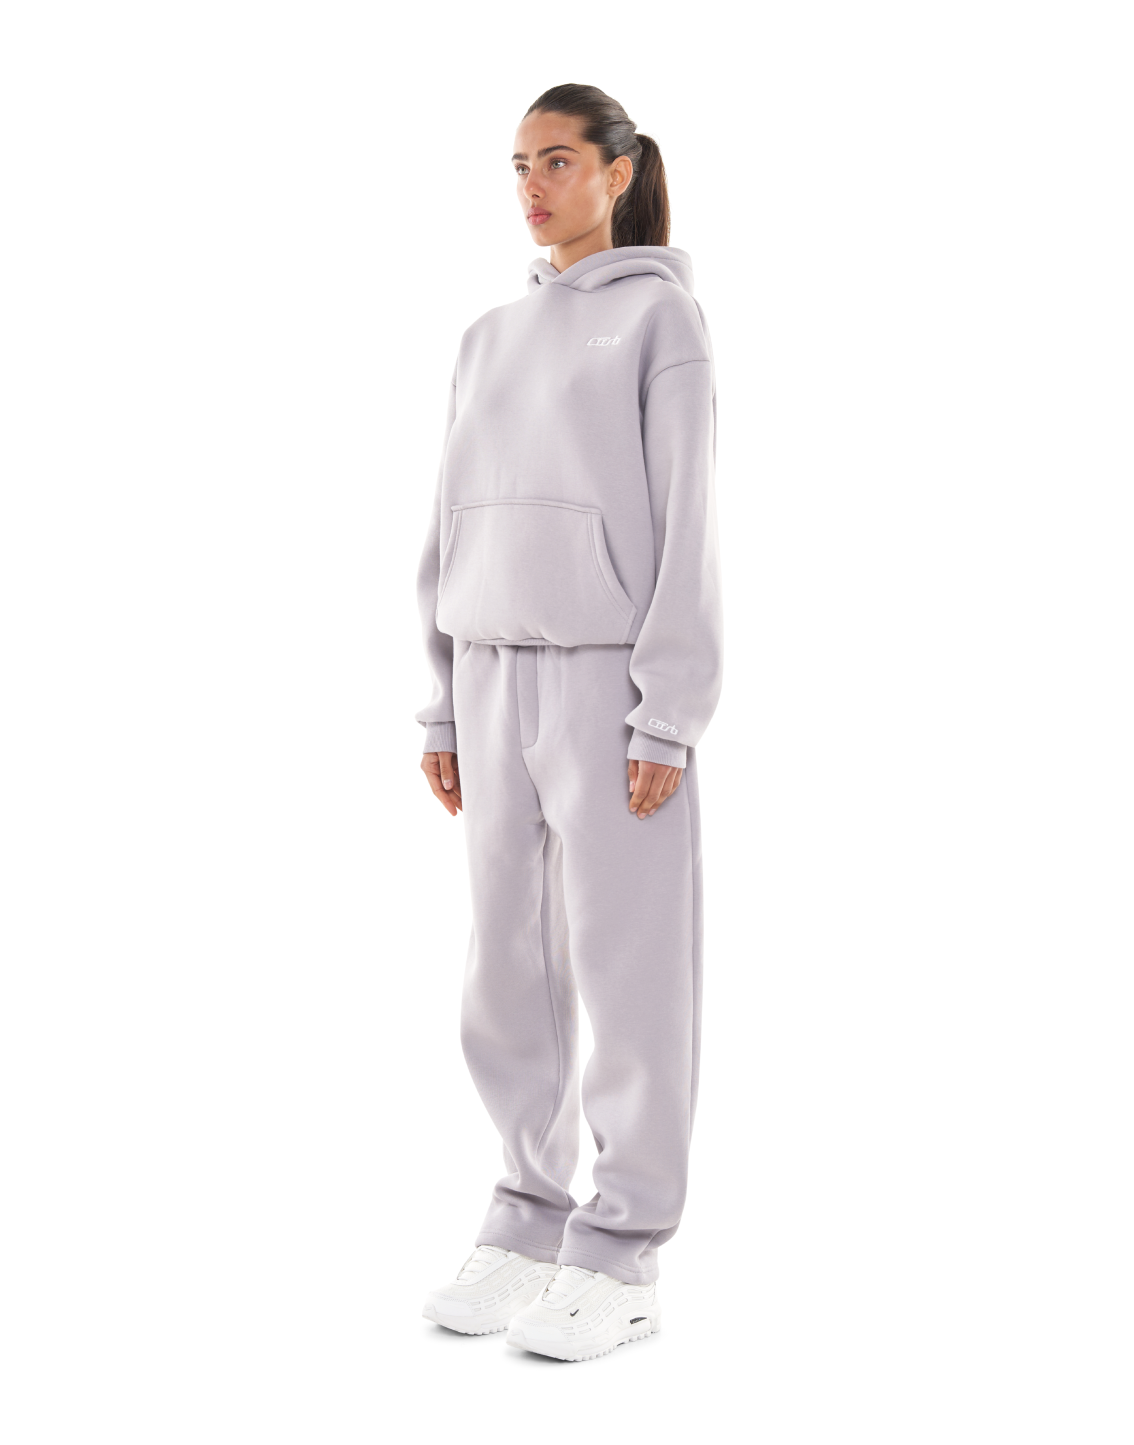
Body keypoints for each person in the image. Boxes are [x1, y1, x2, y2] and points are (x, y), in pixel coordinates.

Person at [414, 83, 723, 1363]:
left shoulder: (660, 320)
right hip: (490, 673)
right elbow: (447, 518)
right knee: (506, 966)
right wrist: (440, 693)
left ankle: (622, 1248)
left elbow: (687, 522)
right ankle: (525, 1215)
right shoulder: (487, 336)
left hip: (607, 684)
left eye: (556, 160)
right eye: (518, 164)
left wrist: (667, 715)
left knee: (628, 965)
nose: (532, 186)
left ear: (617, 170)